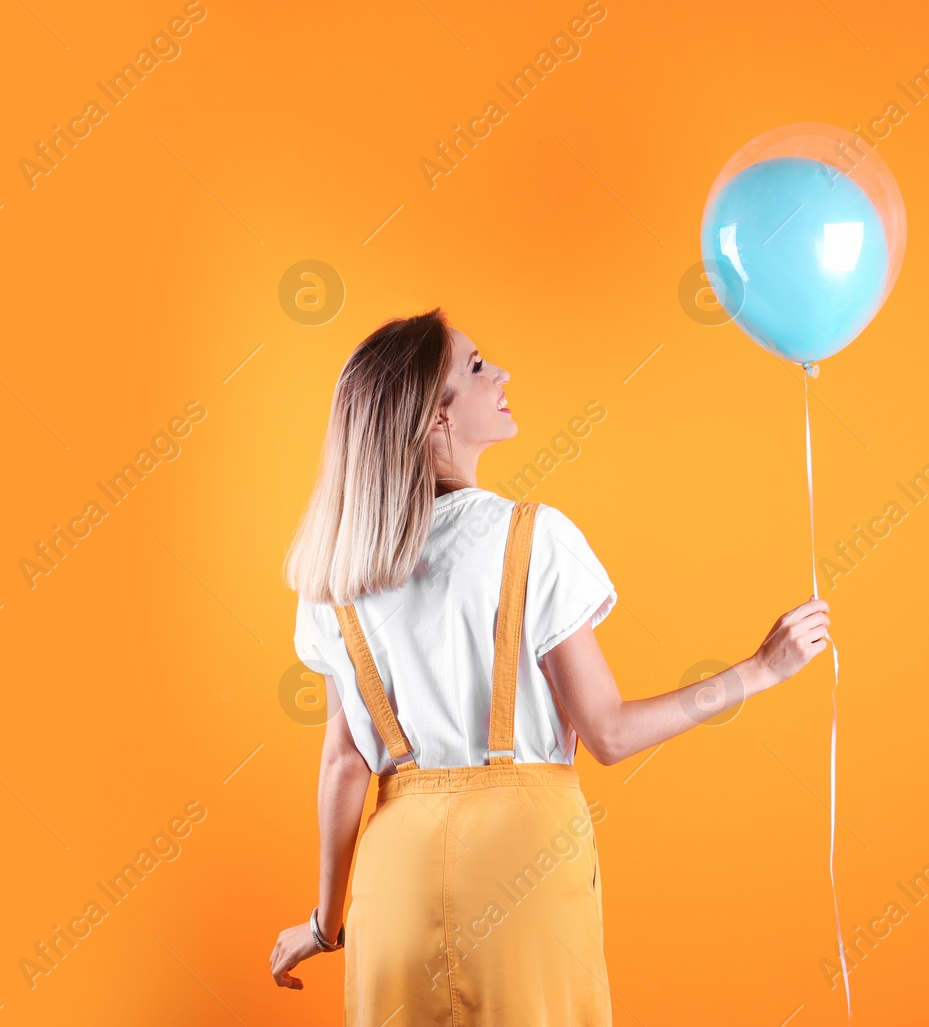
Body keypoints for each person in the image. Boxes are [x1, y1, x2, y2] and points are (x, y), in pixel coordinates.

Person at [270, 308, 829, 1024]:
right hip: (520, 867)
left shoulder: (337, 575)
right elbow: (609, 734)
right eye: (475, 367)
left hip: (393, 879)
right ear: (435, 421)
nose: (500, 373)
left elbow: (344, 765)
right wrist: (760, 669)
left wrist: (323, 922)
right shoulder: (532, 537)